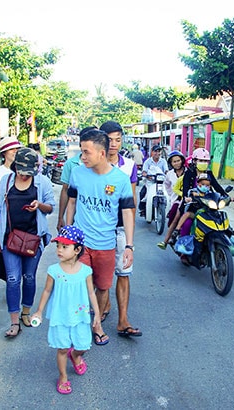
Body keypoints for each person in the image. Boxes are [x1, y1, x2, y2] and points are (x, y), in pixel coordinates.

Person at [66, 129, 135, 346]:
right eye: (81, 152)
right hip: (81, 243)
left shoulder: (120, 180)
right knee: (76, 284)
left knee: (103, 287)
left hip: (106, 243)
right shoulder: (77, 173)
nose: (82, 156)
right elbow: (72, 203)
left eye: (86, 152)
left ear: (102, 153)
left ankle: (96, 324)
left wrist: (129, 246)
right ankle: (76, 327)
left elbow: (127, 213)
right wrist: (67, 235)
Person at [31, 225, 101, 395]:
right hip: (60, 317)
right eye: (58, 246)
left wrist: (97, 314)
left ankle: (76, 356)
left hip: (81, 317)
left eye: (64, 246)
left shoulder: (86, 271)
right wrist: (39, 311)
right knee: (62, 348)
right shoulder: (53, 270)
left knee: (83, 345)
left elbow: (91, 292)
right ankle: (63, 376)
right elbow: (47, 291)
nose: (59, 250)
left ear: (77, 249)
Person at [0, 147, 56, 337]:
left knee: (29, 277)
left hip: (33, 239)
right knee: (13, 279)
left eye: (27, 172)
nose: (23, 176)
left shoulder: (42, 182)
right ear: (15, 167)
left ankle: (26, 312)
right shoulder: (6, 181)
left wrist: (39, 205)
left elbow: (50, 208)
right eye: (21, 172)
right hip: (10, 239)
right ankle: (14, 322)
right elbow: (0, 209)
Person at [99, 120, 142, 337]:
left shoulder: (129, 166)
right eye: (110, 139)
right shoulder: (92, 164)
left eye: (118, 139)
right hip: (98, 229)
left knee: (123, 274)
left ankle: (123, 319)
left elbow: (131, 202)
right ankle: (101, 313)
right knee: (101, 278)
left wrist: (129, 240)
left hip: (120, 228)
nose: (114, 144)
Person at [178, 147, 228, 237]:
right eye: (201, 160)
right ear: (194, 161)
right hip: (192, 204)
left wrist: (226, 195)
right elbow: (185, 188)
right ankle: (183, 244)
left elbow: (216, 186)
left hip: (208, 204)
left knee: (220, 221)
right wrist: (187, 197)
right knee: (187, 224)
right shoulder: (189, 173)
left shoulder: (209, 173)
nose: (204, 163)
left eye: (206, 161)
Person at [57, 126, 97, 230]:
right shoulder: (71, 165)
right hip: (78, 218)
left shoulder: (105, 167)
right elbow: (65, 190)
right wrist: (61, 217)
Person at [157, 150, 186, 249]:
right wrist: (171, 195)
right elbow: (167, 185)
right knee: (174, 214)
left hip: (189, 200)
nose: (177, 163)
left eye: (178, 161)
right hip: (176, 200)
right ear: (171, 163)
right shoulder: (170, 174)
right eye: (174, 161)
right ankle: (169, 238)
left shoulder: (188, 172)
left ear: (182, 160)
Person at [0, 136, 21, 222]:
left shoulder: (24, 171)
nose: (15, 151)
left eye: (17, 149)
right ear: (4, 153)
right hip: (4, 213)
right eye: (11, 149)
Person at [138, 145, 168, 217]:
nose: (157, 153)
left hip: (161, 182)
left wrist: (167, 174)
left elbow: (166, 170)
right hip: (150, 182)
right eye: (155, 151)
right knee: (143, 192)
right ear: (152, 152)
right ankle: (142, 208)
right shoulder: (148, 161)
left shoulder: (163, 161)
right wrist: (146, 175)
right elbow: (144, 171)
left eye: (159, 151)